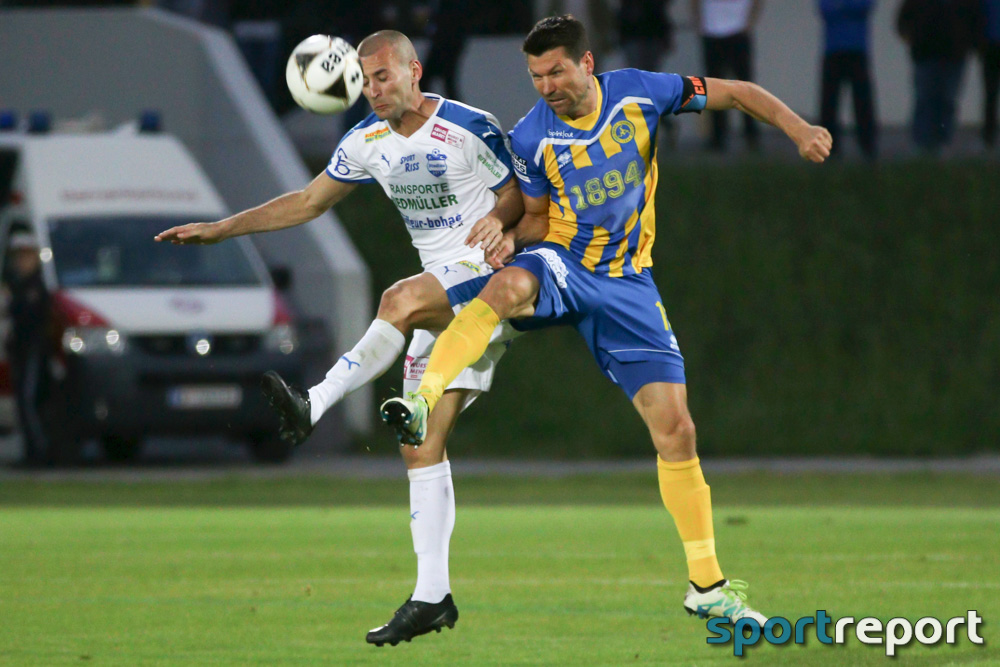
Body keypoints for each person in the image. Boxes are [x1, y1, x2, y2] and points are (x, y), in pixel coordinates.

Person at [382, 14, 831, 625]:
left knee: (677, 430)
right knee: (508, 284)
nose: (546, 87)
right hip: (563, 261)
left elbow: (737, 92)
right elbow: (538, 218)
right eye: (536, 76)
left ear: (586, 64)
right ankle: (423, 399)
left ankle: (707, 586)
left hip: (628, 285)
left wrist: (799, 128)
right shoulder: (531, 136)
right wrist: (509, 234)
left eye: (556, 72)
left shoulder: (643, 91)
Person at [155, 30, 524, 646]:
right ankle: (433, 595)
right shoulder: (367, 142)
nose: (373, 88)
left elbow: (518, 191)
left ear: (415, 71)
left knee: (397, 299)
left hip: (487, 284)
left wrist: (501, 220)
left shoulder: (469, 125)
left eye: (384, 76)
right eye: (365, 78)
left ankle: (314, 404)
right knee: (421, 448)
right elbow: (306, 201)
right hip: (443, 294)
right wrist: (223, 228)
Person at [897, 0, 984, 153]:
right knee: (928, 99)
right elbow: (904, 18)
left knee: (944, 100)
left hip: (951, 54)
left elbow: (976, 18)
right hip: (928, 54)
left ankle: (939, 141)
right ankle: (924, 142)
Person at [3, 232, 51, 466]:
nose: (21, 261)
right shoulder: (18, 284)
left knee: (29, 399)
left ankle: (40, 452)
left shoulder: (39, 285)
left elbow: (31, 317)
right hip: (21, 350)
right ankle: (32, 450)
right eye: (18, 257)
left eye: (26, 256)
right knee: (23, 401)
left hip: (35, 349)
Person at [693, 0, 763, 151]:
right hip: (711, 31)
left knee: (746, 87)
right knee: (713, 88)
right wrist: (699, 23)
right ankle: (718, 136)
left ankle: (751, 134)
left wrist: (749, 23)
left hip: (738, 30)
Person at [818, 0, 878, 159]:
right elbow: (824, 9)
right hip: (833, 49)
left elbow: (865, 7)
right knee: (829, 102)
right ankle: (828, 148)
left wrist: (840, 5)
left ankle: (867, 146)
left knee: (862, 101)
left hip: (857, 49)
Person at [982, 0, 1000, 148]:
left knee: (990, 93)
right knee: (990, 93)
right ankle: (989, 136)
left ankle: (989, 136)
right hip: (990, 46)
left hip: (989, 44)